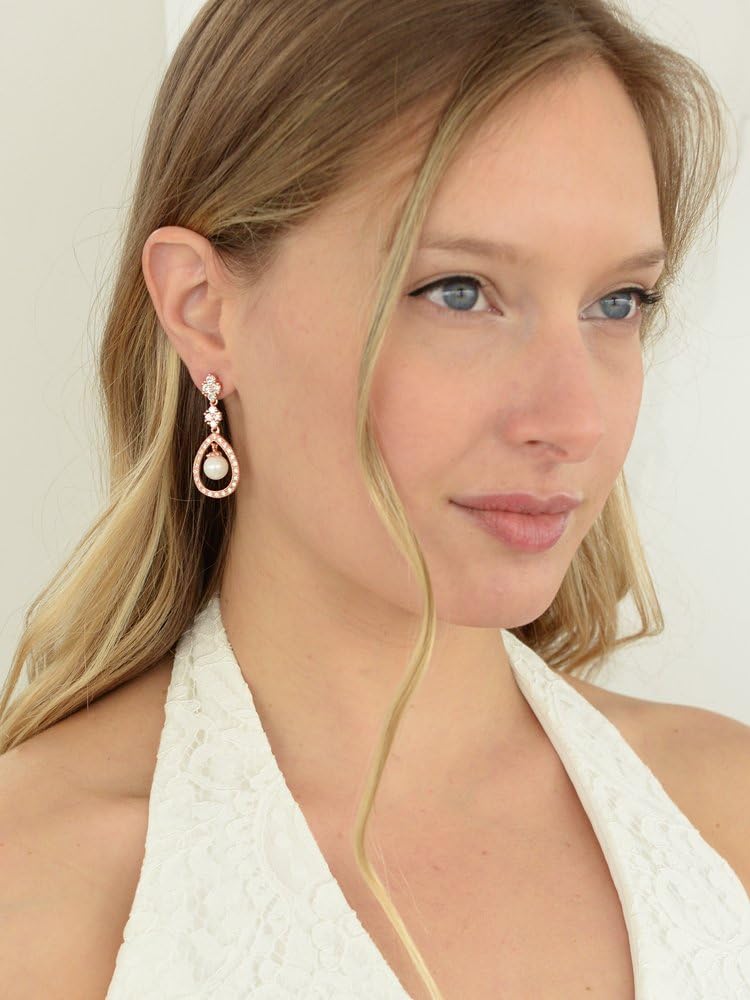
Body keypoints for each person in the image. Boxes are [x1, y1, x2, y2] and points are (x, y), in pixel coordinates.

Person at [1, 1, 748, 997]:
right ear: (203, 310)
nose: (573, 420)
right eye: (458, 291)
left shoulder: (726, 815)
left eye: (617, 303)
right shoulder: (38, 892)